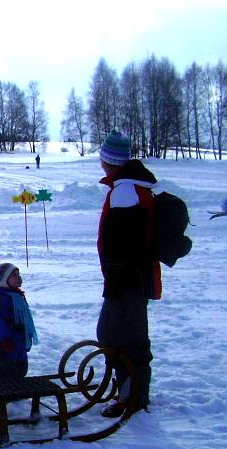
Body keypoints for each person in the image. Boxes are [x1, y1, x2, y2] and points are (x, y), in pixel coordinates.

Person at [96, 129, 159, 418]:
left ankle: (132, 397)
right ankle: (126, 388)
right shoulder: (128, 186)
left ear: (108, 161)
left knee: (125, 339)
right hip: (128, 278)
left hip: (127, 280)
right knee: (112, 334)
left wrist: (115, 275)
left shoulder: (124, 191)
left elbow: (122, 244)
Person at [0, 261, 38, 381]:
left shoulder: (17, 296)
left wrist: (27, 335)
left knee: (21, 367)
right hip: (5, 342)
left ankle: (17, 390)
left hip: (19, 338)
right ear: (4, 280)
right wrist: (4, 339)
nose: (19, 278)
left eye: (18, 274)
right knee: (5, 369)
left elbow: (25, 317)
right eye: (14, 275)